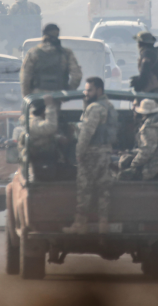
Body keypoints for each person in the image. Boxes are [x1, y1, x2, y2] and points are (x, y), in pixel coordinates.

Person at [63, 77, 117, 234]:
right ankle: (103, 224)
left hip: (92, 153)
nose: (86, 93)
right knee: (104, 190)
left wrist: (79, 153)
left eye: (90, 90)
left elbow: (86, 133)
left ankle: (80, 224)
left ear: (99, 90)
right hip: (106, 153)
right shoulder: (109, 106)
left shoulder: (95, 108)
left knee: (84, 189)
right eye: (85, 90)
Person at [118, 99, 158, 181]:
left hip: (157, 163)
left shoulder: (150, 125)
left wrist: (133, 164)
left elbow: (147, 150)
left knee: (122, 175)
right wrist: (131, 153)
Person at [21, 23, 82, 97]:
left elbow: (25, 77)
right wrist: (68, 92)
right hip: (58, 95)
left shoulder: (33, 53)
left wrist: (28, 96)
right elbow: (77, 76)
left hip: (37, 96)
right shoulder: (66, 53)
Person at [20, 95, 61, 180]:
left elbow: (44, 137)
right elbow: (50, 127)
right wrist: (50, 106)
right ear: (43, 111)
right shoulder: (33, 122)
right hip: (39, 166)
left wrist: (59, 138)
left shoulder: (37, 122)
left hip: (47, 162)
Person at [130, 31, 158, 98]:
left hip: (157, 92)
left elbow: (145, 71)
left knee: (139, 105)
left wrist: (138, 84)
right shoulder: (157, 52)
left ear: (140, 44)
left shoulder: (147, 54)